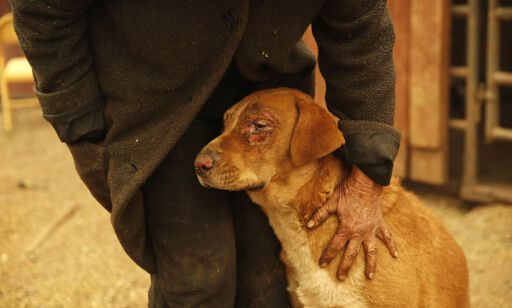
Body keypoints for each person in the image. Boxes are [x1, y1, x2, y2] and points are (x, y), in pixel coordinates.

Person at [11, 0, 401, 306]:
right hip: (156, 109)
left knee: (267, 283)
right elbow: (41, 9)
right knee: (198, 283)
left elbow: (361, 33)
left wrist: (369, 171)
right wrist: (78, 118)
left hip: (267, 94)